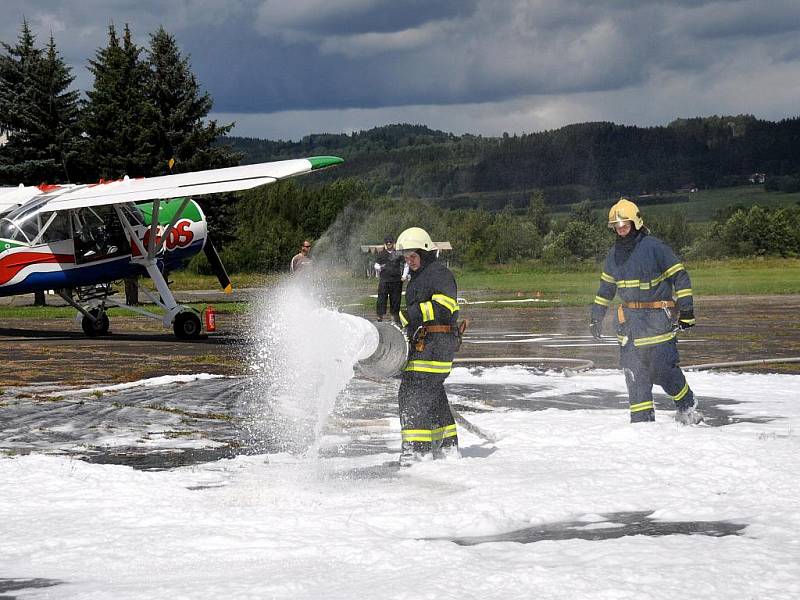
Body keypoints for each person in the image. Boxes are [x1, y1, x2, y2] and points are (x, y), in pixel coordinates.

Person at [590, 198, 701, 425]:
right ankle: (642, 426)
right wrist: (596, 316)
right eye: (617, 227)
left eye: (625, 225)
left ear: (636, 222)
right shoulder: (613, 255)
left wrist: (687, 311)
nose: (621, 230)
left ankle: (687, 406)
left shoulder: (655, 248)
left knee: (662, 370)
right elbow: (606, 290)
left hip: (657, 323)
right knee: (635, 376)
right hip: (629, 327)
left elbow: (680, 276)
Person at [395, 227, 461, 465]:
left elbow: (444, 308)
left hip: (435, 346)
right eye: (406, 258)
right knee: (432, 395)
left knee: (411, 394)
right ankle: (446, 447)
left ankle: (417, 451)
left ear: (425, 253)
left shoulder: (439, 274)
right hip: (427, 346)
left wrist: (408, 315)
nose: (409, 261)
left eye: (413, 256)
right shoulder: (419, 277)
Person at [373, 235, 404, 322]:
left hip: (396, 281)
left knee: (396, 299)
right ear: (385, 244)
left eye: (390, 242)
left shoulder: (398, 253)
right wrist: (380, 268)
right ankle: (380, 316)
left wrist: (404, 276)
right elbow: (376, 265)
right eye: (387, 242)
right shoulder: (381, 254)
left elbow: (406, 264)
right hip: (384, 281)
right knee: (381, 299)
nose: (389, 243)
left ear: (393, 243)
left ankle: (394, 317)